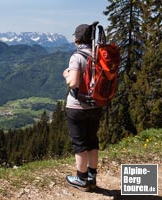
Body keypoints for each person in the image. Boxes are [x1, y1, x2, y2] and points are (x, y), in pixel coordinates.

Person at [63, 23, 102, 192]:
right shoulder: (98, 56)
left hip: (77, 107)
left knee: (79, 143)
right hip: (96, 105)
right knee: (92, 140)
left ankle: (81, 178)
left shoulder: (77, 56)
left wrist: (66, 74)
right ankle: (92, 176)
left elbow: (73, 82)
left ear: (77, 39)